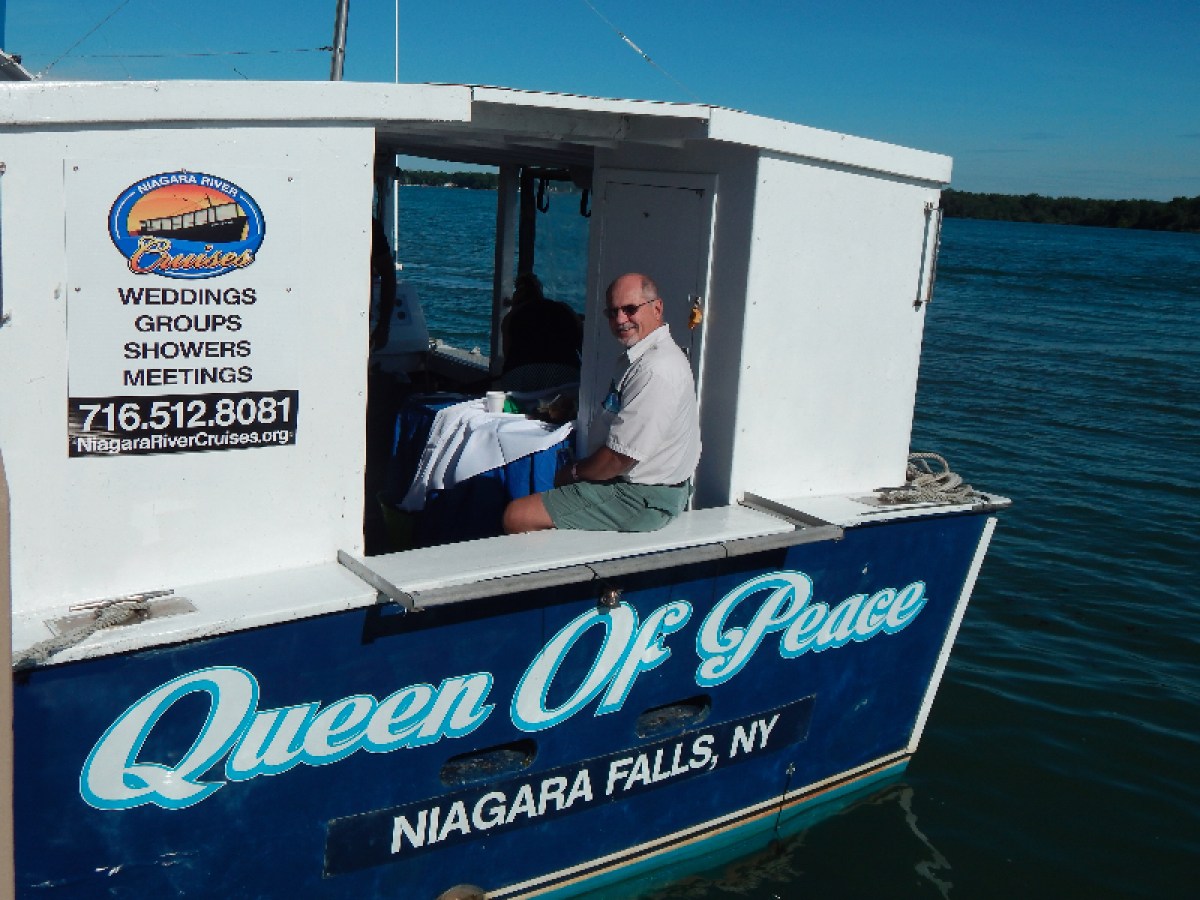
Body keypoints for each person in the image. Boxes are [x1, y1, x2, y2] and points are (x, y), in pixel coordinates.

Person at [502, 272, 700, 534]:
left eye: (630, 309)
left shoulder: (656, 368)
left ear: (657, 308)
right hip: (643, 488)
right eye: (613, 312)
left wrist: (572, 473)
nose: (620, 319)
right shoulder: (643, 357)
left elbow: (620, 458)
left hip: (640, 497)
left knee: (517, 516)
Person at [499, 272, 583, 379]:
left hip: (522, 378)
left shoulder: (510, 318)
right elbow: (581, 344)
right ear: (539, 291)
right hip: (567, 374)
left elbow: (508, 356)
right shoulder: (564, 308)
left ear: (517, 296)